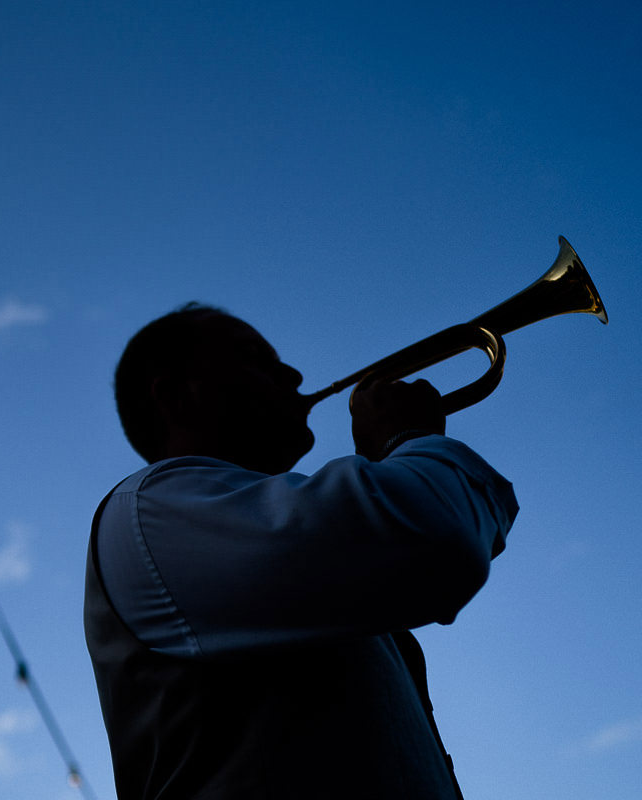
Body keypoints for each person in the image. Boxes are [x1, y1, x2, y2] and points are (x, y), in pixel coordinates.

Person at [84, 303, 518, 799]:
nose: (291, 373)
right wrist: (406, 438)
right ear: (177, 395)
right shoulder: (155, 507)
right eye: (253, 357)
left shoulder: (225, 523)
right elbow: (440, 533)